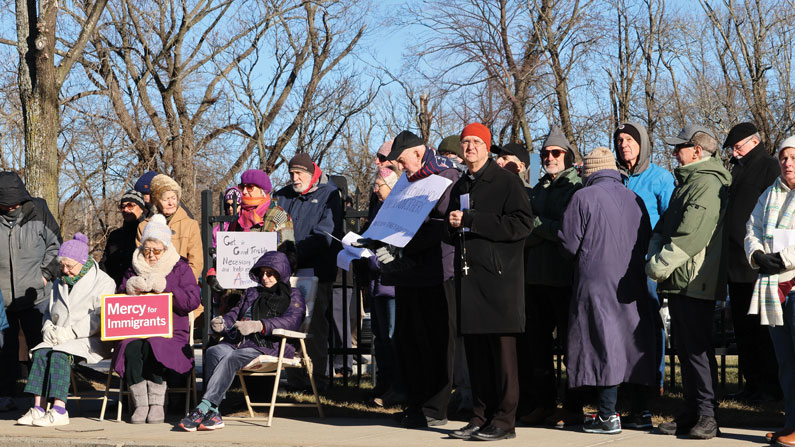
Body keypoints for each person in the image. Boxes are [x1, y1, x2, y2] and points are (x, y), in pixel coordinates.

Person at [557, 147, 657, 435]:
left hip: (596, 279)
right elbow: (646, 236)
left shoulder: (583, 196)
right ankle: (641, 411)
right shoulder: (634, 197)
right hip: (632, 279)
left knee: (603, 341)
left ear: (589, 171)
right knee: (632, 343)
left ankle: (607, 415)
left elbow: (568, 243)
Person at [447, 123, 533, 441]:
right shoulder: (461, 186)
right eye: (465, 142)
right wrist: (451, 227)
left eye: (475, 142)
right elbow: (456, 225)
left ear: (487, 146)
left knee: (502, 355)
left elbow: (523, 224)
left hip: (500, 281)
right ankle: (480, 415)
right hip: (470, 280)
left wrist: (472, 220)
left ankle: (504, 420)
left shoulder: (506, 181)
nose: (469, 147)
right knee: (477, 355)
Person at [647, 125, 730, 440]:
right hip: (681, 278)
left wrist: (656, 266)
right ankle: (691, 412)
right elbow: (665, 224)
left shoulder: (706, 184)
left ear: (697, 151)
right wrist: (657, 251)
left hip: (696, 279)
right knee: (686, 350)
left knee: (697, 350)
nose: (673, 153)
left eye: (679, 147)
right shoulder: (688, 182)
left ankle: (708, 416)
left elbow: (691, 236)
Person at [377, 130, 461, 428]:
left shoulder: (445, 176)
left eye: (402, 160)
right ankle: (415, 403)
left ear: (418, 152)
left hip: (437, 271)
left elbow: (440, 224)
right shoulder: (406, 181)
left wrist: (403, 243)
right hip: (408, 272)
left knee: (436, 340)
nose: (401, 167)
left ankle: (436, 407)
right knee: (408, 340)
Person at [179, 251, 304, 431]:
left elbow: (292, 320)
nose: (265, 277)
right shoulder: (252, 292)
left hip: (269, 345)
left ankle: (204, 407)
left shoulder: (293, 295)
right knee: (214, 351)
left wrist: (259, 325)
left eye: (270, 273)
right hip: (240, 341)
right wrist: (223, 322)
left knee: (232, 357)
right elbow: (234, 314)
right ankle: (214, 413)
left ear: (281, 272)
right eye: (262, 273)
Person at [519, 126, 583, 427]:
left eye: (555, 153)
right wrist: (544, 229)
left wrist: (538, 226)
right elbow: (523, 229)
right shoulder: (539, 188)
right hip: (535, 278)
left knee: (572, 348)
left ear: (567, 156)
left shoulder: (576, 187)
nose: (549, 158)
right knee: (538, 349)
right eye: (545, 154)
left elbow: (567, 230)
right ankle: (543, 404)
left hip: (564, 278)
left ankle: (573, 407)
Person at [16, 233, 116, 427]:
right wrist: (48, 328)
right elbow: (49, 312)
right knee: (40, 352)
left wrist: (71, 333)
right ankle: (38, 408)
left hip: (89, 339)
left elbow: (100, 317)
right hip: (59, 336)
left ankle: (60, 409)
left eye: (70, 266)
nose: (65, 270)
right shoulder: (59, 282)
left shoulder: (104, 282)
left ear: (82, 262)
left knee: (59, 355)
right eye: (62, 265)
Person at [614, 121, 675, 428]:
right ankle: (625, 384)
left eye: (630, 139)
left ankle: (654, 382)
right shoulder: (615, 179)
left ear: (643, 144)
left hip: (647, 266)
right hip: (616, 267)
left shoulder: (660, 178)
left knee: (648, 326)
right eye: (620, 139)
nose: (625, 144)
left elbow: (670, 220)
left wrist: (656, 257)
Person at [115, 214, 201, 424]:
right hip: (137, 327)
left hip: (170, 330)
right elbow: (116, 302)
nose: (151, 255)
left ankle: (157, 403)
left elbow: (192, 300)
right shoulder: (133, 266)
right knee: (132, 347)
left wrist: (167, 288)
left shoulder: (180, 267)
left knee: (154, 345)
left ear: (166, 249)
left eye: (156, 250)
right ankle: (141, 404)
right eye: (147, 250)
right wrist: (128, 289)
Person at [274, 153, 342, 391]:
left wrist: (295, 252)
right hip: (285, 271)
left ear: (312, 172)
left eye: (299, 173)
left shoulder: (329, 195)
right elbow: (273, 226)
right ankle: (294, 381)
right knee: (288, 326)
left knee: (314, 328)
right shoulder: (282, 195)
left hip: (316, 271)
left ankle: (317, 381)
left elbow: (326, 234)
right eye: (291, 173)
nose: (295, 178)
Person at [724, 122, 781, 402]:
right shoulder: (738, 169)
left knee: (762, 331)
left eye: (738, 147)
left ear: (754, 142)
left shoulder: (769, 166)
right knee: (744, 332)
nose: (735, 153)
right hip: (735, 262)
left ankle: (770, 386)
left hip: (756, 264)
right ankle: (752, 383)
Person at [744, 136, 795, 445]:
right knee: (786, 363)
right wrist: (757, 255)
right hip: (774, 288)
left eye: (793, 157)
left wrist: (782, 259)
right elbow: (752, 228)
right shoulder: (770, 193)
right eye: (783, 158)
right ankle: (791, 423)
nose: (787, 163)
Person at [0, 171, 61, 412]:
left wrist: (45, 276)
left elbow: (57, 246)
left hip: (37, 295)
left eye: (15, 202)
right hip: (2, 297)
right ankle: (4, 394)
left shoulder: (39, 210)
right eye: (6, 204)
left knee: (41, 347)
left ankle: (46, 398)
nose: (11, 207)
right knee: (4, 350)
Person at [206, 170, 294, 314]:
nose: (245, 192)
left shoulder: (279, 216)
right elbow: (227, 254)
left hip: (267, 294)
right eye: (242, 187)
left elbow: (289, 257)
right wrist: (214, 273)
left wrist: (269, 273)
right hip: (237, 294)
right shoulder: (238, 219)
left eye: (250, 187)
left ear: (262, 190)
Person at [367, 167, 405, 407]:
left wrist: (372, 255)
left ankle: (397, 388)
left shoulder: (399, 210)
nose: (374, 190)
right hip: (376, 283)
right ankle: (384, 384)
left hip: (390, 283)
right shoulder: (378, 210)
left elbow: (396, 247)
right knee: (380, 338)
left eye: (379, 185)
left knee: (393, 337)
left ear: (391, 187)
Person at [136, 174, 203, 281]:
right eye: (166, 199)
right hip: (153, 287)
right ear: (157, 201)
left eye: (174, 198)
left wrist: (183, 284)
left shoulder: (190, 225)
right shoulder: (144, 226)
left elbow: (196, 262)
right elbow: (140, 260)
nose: (171, 203)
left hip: (182, 286)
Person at [101, 190, 147, 287]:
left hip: (140, 288)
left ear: (141, 208)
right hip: (115, 289)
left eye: (130, 205)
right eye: (123, 206)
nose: (126, 209)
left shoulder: (147, 232)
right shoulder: (115, 235)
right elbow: (105, 264)